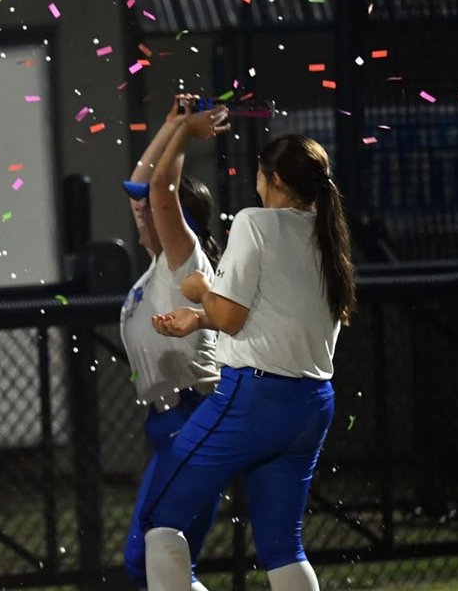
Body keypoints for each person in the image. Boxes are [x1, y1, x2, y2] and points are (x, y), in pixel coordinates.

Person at [143, 134, 355, 591]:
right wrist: (201, 318)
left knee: (160, 521)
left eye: (260, 174)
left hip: (254, 399)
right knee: (283, 547)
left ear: (274, 178)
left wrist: (200, 290)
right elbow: (272, 317)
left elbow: (231, 317)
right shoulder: (324, 230)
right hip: (311, 403)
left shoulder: (255, 222)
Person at [119, 98, 229, 591]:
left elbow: (160, 188)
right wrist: (168, 127)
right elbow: (145, 185)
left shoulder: (185, 262)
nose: (142, 210)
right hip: (171, 424)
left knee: (150, 555)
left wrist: (185, 133)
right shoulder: (156, 267)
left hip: (191, 417)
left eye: (155, 210)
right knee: (159, 558)